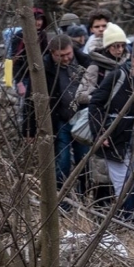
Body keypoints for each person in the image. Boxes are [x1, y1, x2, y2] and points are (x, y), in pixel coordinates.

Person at [23, 34, 92, 190]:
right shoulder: (43, 68)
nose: (66, 59)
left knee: (84, 161)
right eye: (61, 56)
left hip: (82, 119)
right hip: (59, 119)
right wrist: (29, 129)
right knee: (62, 161)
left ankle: (84, 195)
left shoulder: (85, 62)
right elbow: (30, 99)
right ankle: (60, 198)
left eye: (68, 54)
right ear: (52, 53)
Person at [89, 46, 134, 196]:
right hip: (116, 140)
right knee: (122, 187)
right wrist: (100, 131)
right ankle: (125, 216)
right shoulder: (117, 76)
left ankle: (129, 215)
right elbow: (96, 103)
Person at [76, 23, 130, 201]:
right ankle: (100, 207)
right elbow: (81, 95)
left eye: (122, 45)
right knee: (101, 169)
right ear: (107, 47)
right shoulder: (95, 67)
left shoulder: (128, 65)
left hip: (122, 124)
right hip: (100, 120)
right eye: (116, 46)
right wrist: (101, 99)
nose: (120, 50)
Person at [12, 8, 50, 102]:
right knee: (24, 103)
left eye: (40, 19)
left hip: (39, 75)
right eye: (36, 19)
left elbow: (46, 54)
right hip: (24, 76)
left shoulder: (42, 35)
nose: (38, 22)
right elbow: (15, 60)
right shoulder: (20, 35)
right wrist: (19, 82)